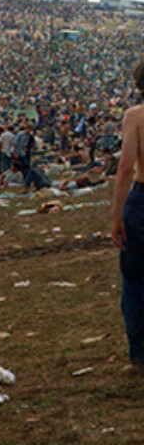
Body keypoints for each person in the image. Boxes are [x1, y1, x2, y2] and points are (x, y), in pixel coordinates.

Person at [111, 61, 144, 374]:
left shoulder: (135, 116)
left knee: (135, 281)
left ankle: (140, 357)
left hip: (142, 201)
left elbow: (124, 169)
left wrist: (116, 215)